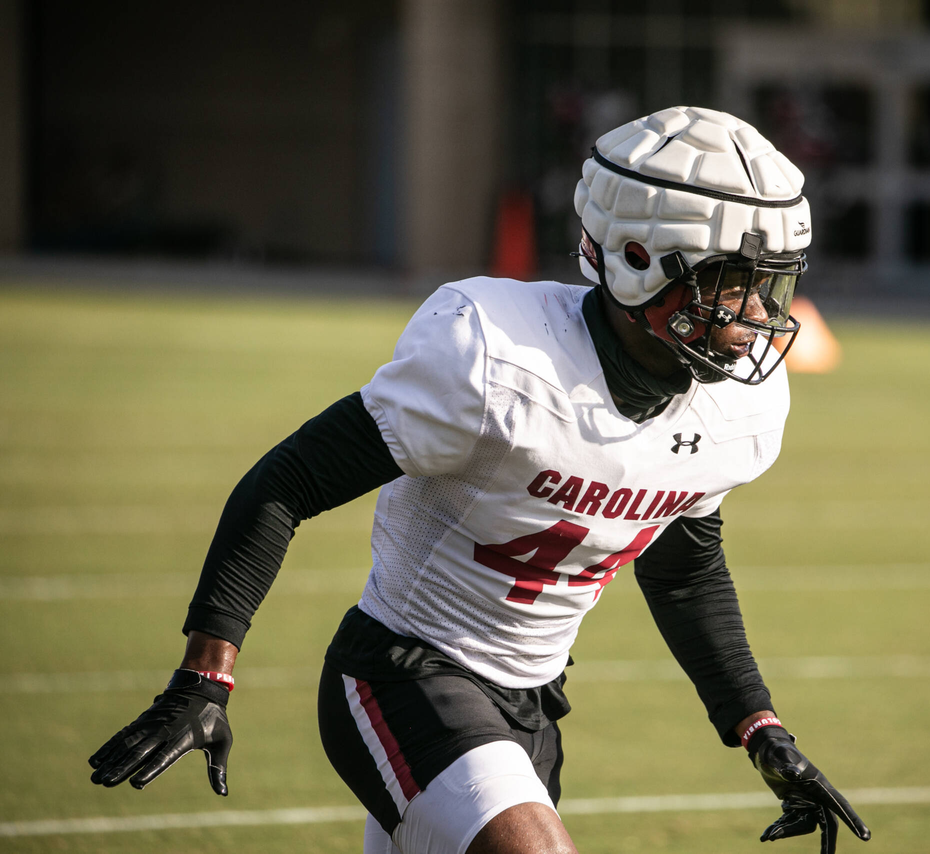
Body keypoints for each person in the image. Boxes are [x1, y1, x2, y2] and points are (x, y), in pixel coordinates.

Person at [87, 106, 870, 854]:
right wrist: (204, 677)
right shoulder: (497, 357)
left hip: (534, 710)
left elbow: (684, 570)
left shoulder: (739, 407)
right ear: (638, 260)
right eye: (730, 281)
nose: (755, 315)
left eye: (766, 284)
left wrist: (758, 726)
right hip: (403, 671)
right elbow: (288, 481)